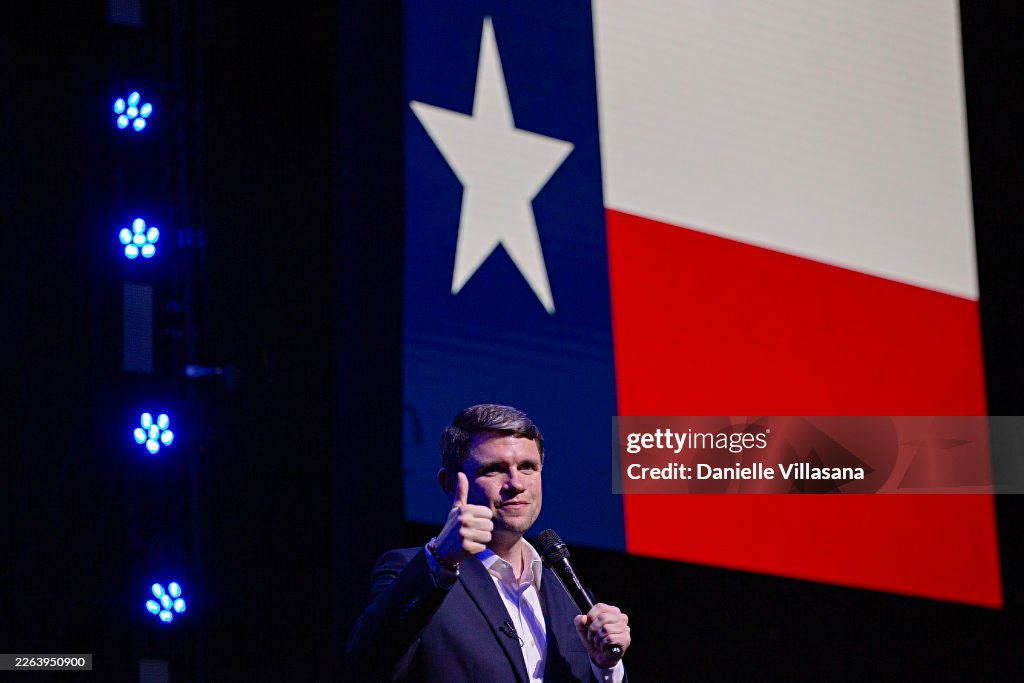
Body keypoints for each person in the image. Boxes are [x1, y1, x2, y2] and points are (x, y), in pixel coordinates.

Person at [348, 404, 631, 682]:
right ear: (449, 483)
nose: (516, 483)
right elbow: (367, 665)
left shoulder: (568, 596)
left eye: (527, 467)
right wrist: (439, 561)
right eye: (494, 469)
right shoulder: (413, 571)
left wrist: (605, 667)